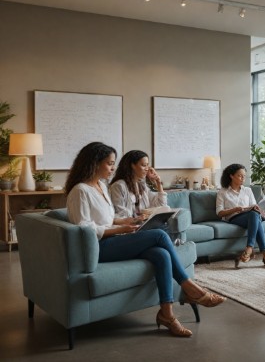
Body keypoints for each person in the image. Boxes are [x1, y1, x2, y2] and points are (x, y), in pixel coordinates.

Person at [65, 142, 225, 337]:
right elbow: (84, 229)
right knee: (158, 235)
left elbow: (106, 218)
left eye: (114, 163)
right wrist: (120, 229)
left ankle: (167, 314)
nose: (112, 168)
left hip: (112, 237)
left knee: (160, 254)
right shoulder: (80, 191)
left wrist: (125, 221)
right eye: (109, 163)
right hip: (98, 247)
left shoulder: (101, 186)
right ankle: (189, 285)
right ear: (94, 163)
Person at [108, 150, 180, 243]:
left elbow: (161, 205)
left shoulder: (141, 185)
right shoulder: (119, 186)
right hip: (130, 228)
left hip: (142, 225)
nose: (147, 169)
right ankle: (174, 244)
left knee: (162, 225)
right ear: (132, 165)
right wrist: (137, 219)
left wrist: (158, 183)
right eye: (143, 165)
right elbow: (120, 214)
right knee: (161, 229)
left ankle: (172, 245)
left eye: (147, 165)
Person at [216, 163, 265, 270]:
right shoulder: (223, 192)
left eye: (244, 176)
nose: (243, 178)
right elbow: (219, 212)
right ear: (231, 176)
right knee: (255, 216)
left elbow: (253, 206)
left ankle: (250, 249)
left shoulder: (247, 190)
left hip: (250, 215)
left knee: (254, 213)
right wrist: (235, 209)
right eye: (240, 176)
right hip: (233, 218)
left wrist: (257, 208)